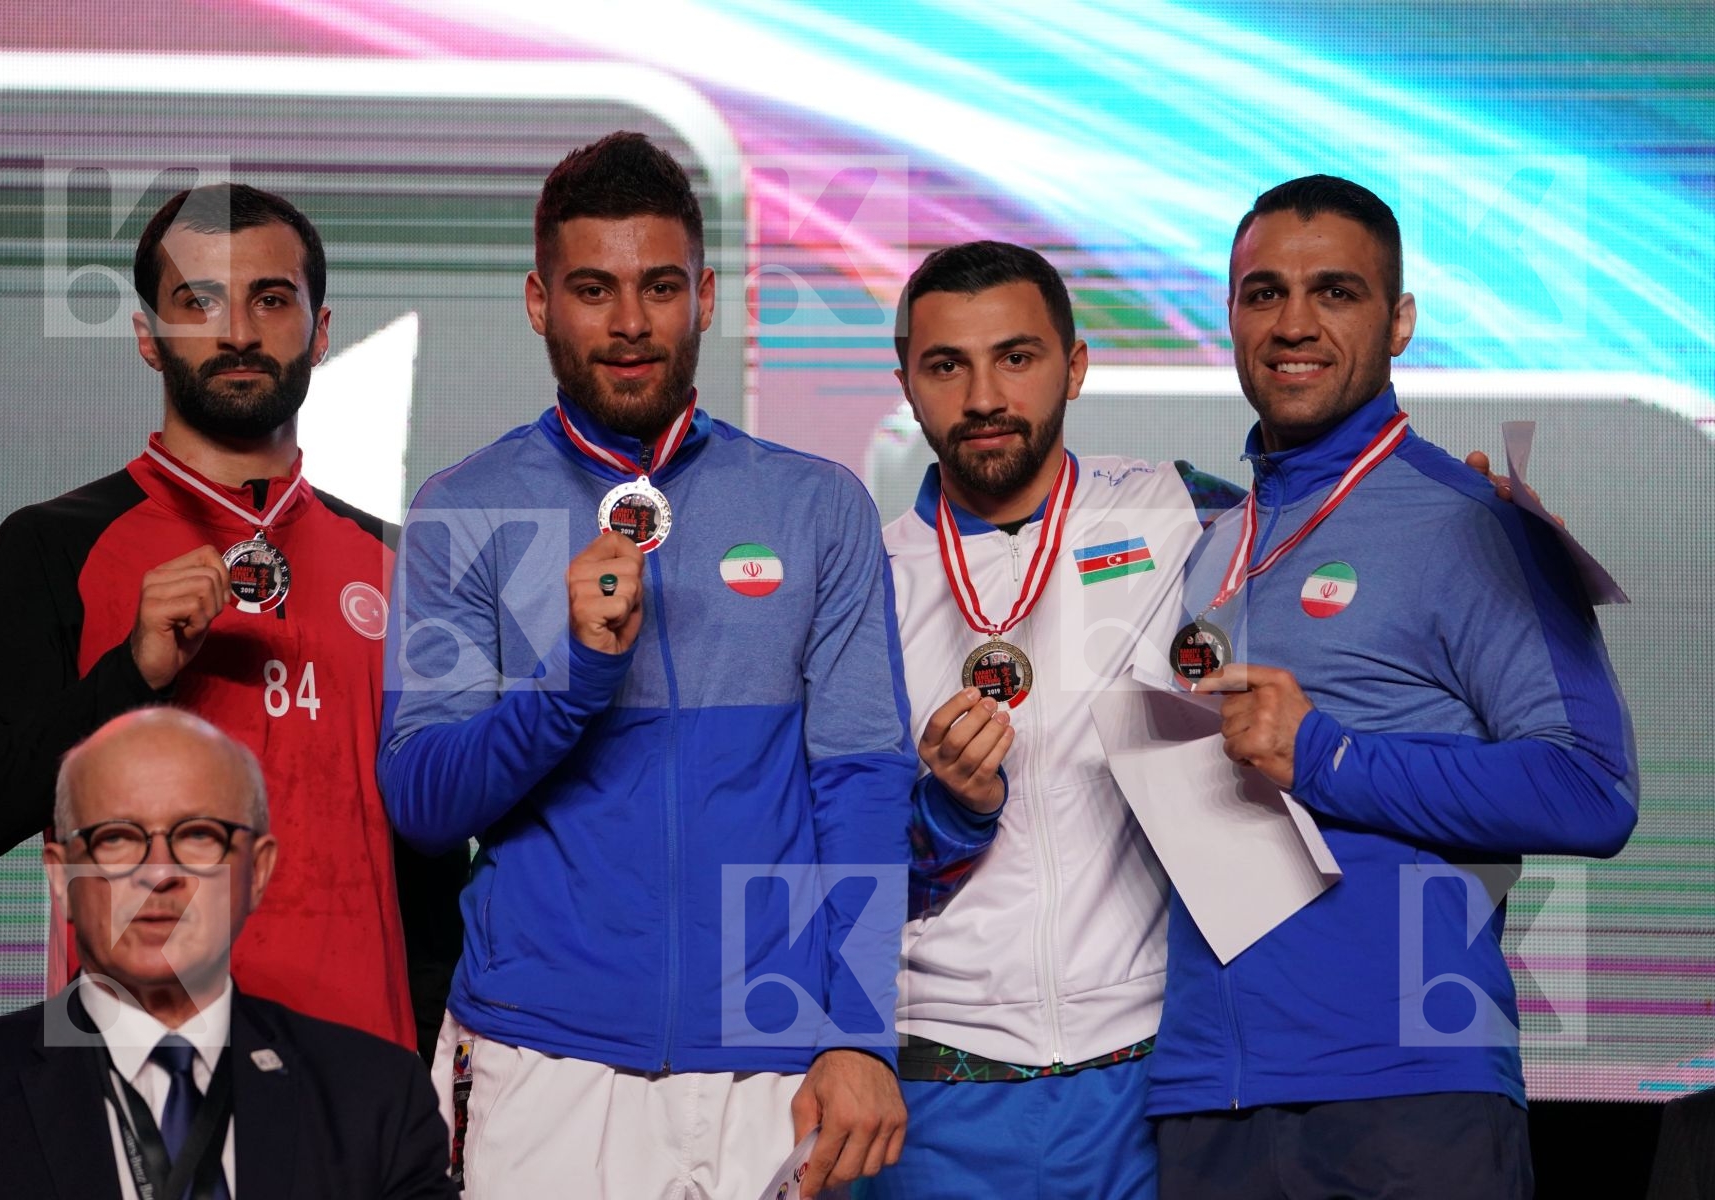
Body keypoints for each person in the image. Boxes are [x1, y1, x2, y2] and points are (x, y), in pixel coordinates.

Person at [377, 131, 915, 1199]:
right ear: (540, 302)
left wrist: (855, 1027)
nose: (630, 323)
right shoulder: (464, 507)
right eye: (594, 289)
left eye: (660, 287)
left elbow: (858, 779)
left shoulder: (814, 507)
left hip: (770, 1047)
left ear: (706, 296)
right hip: (545, 1052)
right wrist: (571, 681)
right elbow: (423, 801)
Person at [1146, 174, 1639, 1198]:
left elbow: (1595, 790)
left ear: (1400, 319)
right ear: (1231, 316)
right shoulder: (1208, 546)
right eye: (1262, 293)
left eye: (1336, 291)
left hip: (1408, 1094)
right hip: (1206, 1095)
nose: (1294, 323)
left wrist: (1328, 755)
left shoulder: (1474, 522)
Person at [0, 182, 464, 1053]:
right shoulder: (52, 547)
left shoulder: (402, 565)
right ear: (146, 336)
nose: (237, 331)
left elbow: (430, 863)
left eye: (271, 300)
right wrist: (130, 676)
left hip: (359, 1086)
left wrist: (430, 1062)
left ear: (321, 333)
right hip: (127, 1073)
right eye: (197, 300)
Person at [860, 241, 1243, 1199]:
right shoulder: (863, 580)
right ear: (907, 380)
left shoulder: (1178, 512)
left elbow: (1336, 526)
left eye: (1017, 357)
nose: (984, 394)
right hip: (939, 1081)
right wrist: (943, 810)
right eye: (947, 365)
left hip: (1143, 1078)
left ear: (1075, 365)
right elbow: (822, 862)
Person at [0, 708, 453, 1199]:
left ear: (257, 872)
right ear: (60, 875)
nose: (158, 873)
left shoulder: (378, 1100)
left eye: (198, 835)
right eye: (117, 837)